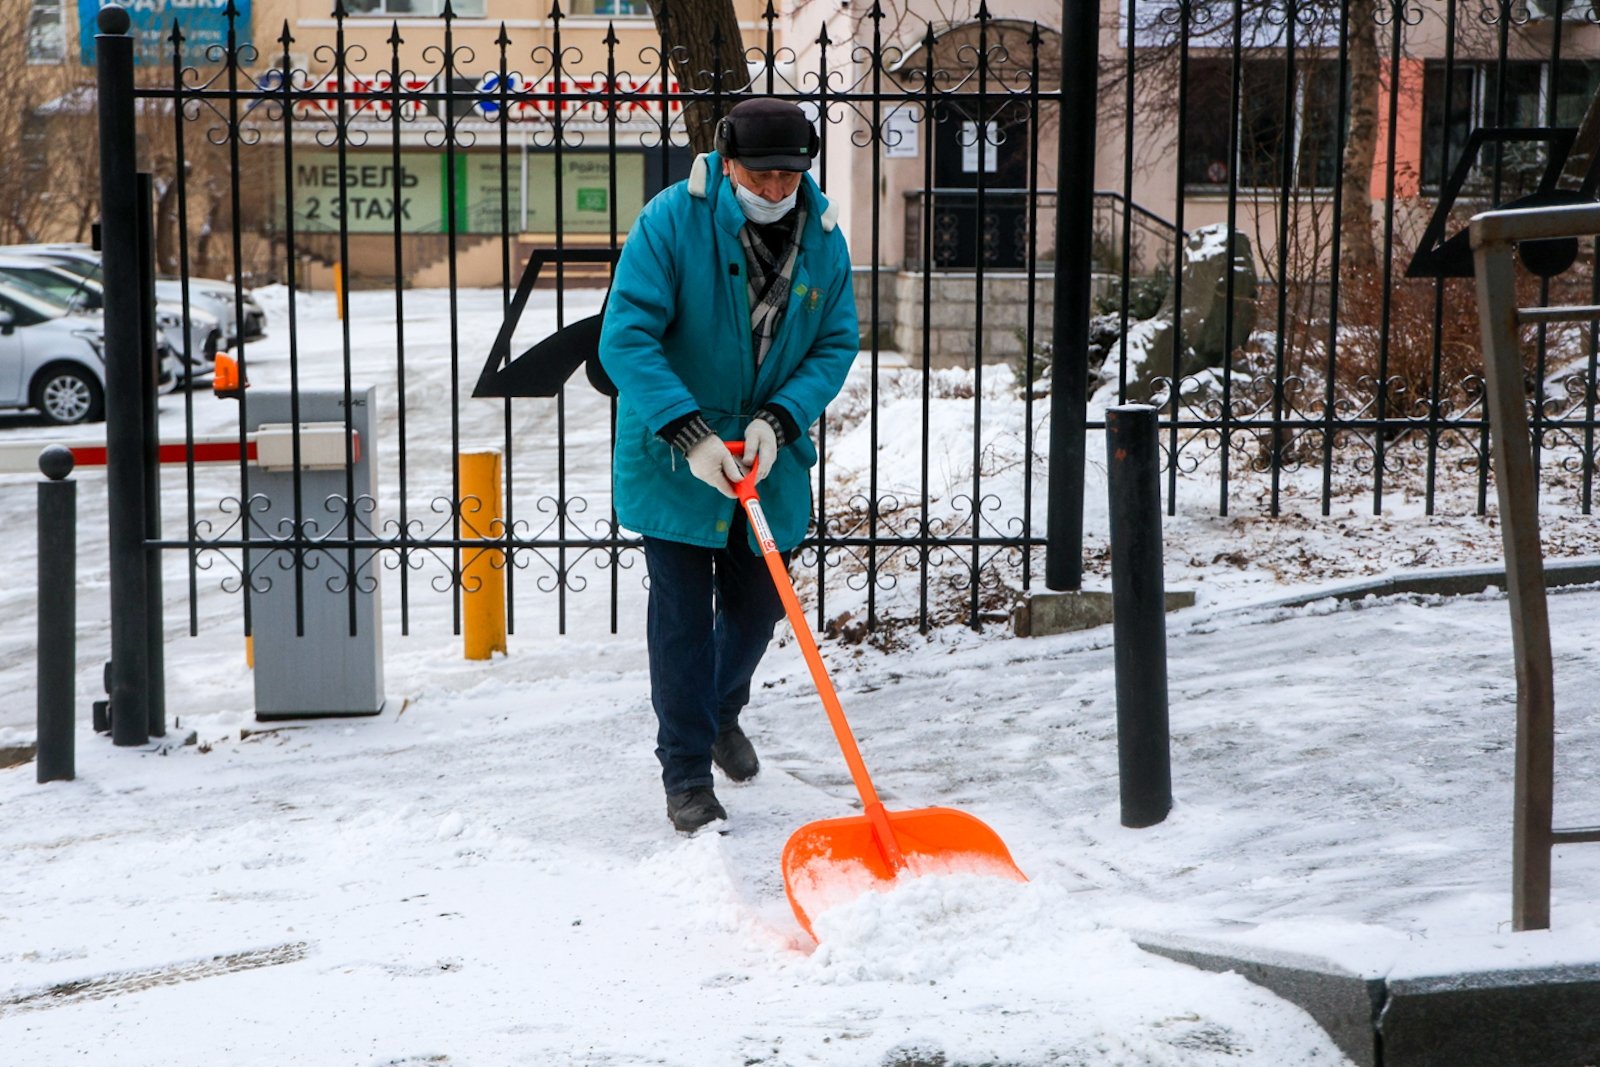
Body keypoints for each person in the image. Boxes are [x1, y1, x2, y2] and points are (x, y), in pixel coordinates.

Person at [599, 98, 859, 834]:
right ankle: (684, 772)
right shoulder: (669, 222)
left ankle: (719, 712)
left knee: (756, 607)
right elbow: (626, 338)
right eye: (761, 175)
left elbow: (835, 342)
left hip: (766, 456)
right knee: (680, 619)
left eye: (789, 177)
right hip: (677, 458)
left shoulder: (822, 239)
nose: (775, 190)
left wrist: (779, 419)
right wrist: (691, 434)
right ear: (728, 160)